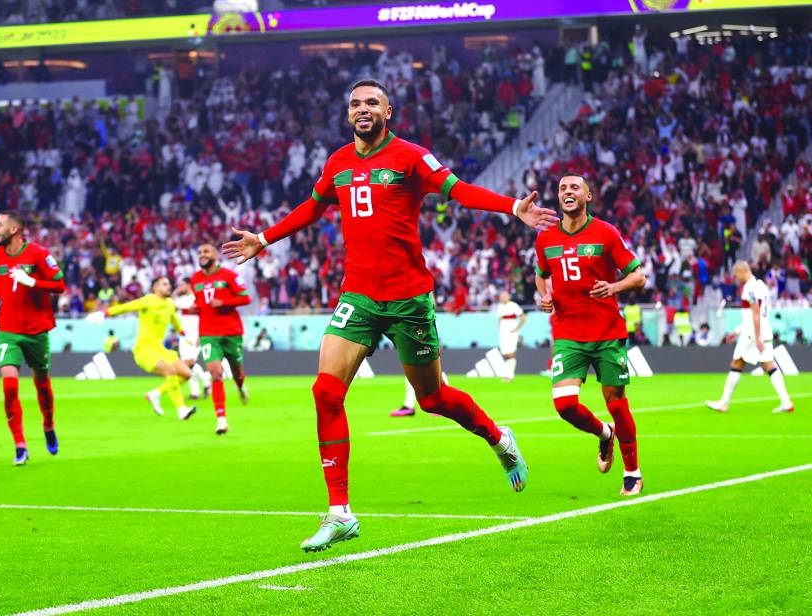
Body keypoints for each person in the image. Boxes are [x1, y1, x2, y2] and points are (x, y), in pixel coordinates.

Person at [223, 79, 557, 552]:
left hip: (408, 298)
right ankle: (340, 512)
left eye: (371, 103)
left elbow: (458, 191)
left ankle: (499, 438)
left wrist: (511, 208)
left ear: (388, 111)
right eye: (355, 103)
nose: (363, 109)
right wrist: (264, 237)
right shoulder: (337, 163)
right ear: (348, 114)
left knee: (433, 398)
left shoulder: (411, 156)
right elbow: (311, 209)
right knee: (325, 391)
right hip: (357, 295)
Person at [535, 173, 646, 497]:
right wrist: (545, 296)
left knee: (616, 403)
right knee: (564, 405)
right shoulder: (545, 239)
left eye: (574, 188)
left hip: (607, 332)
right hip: (568, 332)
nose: (567, 192)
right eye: (562, 188)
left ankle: (632, 471)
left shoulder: (605, 233)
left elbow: (638, 276)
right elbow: (542, 276)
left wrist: (613, 287)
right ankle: (603, 434)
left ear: (588, 196)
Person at [0, 211, 67, 466]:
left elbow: (59, 285)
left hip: (36, 330)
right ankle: (20, 444)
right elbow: (1, 284)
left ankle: (48, 423)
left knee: (42, 385)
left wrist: (32, 281)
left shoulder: (39, 254)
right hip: (8, 330)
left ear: (14, 229)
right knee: (9, 387)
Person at [86, 276, 197, 421]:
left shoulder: (170, 303)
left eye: (169, 284)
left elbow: (175, 321)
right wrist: (105, 313)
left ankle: (155, 394)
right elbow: (126, 307)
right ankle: (182, 409)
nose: (169, 286)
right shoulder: (148, 300)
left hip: (160, 349)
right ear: (155, 288)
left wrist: (184, 335)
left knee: (187, 374)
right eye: (164, 284)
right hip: (144, 350)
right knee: (170, 370)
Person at [705, 261, 794, 414]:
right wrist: (738, 330)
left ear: (741, 271)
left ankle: (723, 403)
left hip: (752, 334)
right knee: (769, 366)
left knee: (737, 363)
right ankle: (786, 402)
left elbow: (755, 313)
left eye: (735, 275)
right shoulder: (761, 285)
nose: (735, 278)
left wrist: (756, 337)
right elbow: (757, 313)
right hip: (764, 330)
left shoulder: (749, 289)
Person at [190, 243, 252, 436]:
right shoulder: (195, 279)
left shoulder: (229, 276)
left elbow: (245, 298)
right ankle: (221, 419)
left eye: (206, 251)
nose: (202, 254)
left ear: (215, 255)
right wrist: (194, 307)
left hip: (231, 332)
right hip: (208, 334)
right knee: (215, 373)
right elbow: (200, 304)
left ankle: (241, 387)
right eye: (199, 251)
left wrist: (224, 303)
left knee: (237, 373)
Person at [172, 277, 211, 400]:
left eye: (182, 285)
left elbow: (205, 317)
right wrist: (176, 293)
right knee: (186, 364)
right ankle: (195, 392)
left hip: (195, 334)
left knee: (190, 362)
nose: (180, 287)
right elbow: (169, 305)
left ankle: (206, 383)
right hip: (183, 334)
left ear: (189, 285)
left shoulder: (197, 298)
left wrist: (201, 334)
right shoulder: (181, 299)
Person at [495, 291, 527, 381]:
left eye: (504, 296)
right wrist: (499, 329)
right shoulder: (500, 306)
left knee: (511, 353)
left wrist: (517, 328)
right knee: (505, 353)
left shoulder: (513, 305)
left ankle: (510, 375)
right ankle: (507, 373)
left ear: (508, 297)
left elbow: (523, 317)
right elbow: (500, 318)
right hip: (503, 332)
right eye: (501, 296)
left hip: (511, 330)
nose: (503, 298)